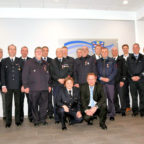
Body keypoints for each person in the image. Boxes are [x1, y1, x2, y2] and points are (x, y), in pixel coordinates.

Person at [22, 47, 51, 126]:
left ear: (42, 53)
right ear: (34, 53)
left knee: (44, 106)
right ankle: (36, 120)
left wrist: (49, 85)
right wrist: (25, 86)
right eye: (37, 51)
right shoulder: (29, 62)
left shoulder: (46, 63)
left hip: (44, 88)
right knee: (34, 105)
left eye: (40, 51)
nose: (39, 53)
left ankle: (43, 119)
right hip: (33, 88)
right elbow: (24, 75)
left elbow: (48, 75)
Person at [1, 44, 23, 127]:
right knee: (8, 104)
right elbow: (2, 74)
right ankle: (8, 121)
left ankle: (17, 121)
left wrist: (23, 85)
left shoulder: (20, 60)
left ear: (16, 51)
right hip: (8, 87)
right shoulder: (4, 61)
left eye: (14, 49)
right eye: (10, 49)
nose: (12, 50)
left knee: (18, 104)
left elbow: (23, 74)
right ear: (8, 50)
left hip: (18, 86)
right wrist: (3, 85)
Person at [50, 48, 73, 123]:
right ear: (56, 53)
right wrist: (58, 79)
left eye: (60, 51)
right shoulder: (52, 62)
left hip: (65, 84)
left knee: (65, 102)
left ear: (62, 53)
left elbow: (70, 72)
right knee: (56, 101)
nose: (59, 53)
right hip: (56, 84)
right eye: (57, 52)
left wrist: (65, 79)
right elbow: (51, 73)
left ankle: (64, 117)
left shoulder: (67, 61)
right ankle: (57, 118)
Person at [96, 47, 117, 121]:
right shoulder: (98, 61)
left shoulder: (112, 60)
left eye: (105, 51)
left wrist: (109, 78)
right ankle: (103, 114)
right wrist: (100, 78)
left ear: (108, 52)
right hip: (101, 83)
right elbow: (96, 72)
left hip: (110, 83)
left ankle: (111, 114)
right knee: (102, 100)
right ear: (101, 53)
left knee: (111, 99)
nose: (104, 52)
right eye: (103, 51)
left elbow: (115, 71)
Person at [127, 43, 144, 117]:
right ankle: (135, 111)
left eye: (136, 47)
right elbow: (127, 69)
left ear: (139, 48)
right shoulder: (129, 58)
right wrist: (132, 77)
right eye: (133, 48)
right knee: (134, 97)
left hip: (141, 80)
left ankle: (142, 111)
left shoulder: (143, 57)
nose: (135, 49)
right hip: (132, 80)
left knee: (142, 96)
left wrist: (139, 76)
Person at [112, 47, 126, 116]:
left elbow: (124, 70)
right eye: (113, 51)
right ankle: (117, 109)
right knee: (114, 97)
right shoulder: (110, 60)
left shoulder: (121, 59)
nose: (114, 52)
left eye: (115, 50)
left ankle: (123, 110)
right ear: (112, 52)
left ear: (117, 51)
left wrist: (122, 80)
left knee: (122, 96)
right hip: (112, 82)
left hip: (120, 81)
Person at [20, 46, 32, 123]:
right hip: (20, 86)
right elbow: (18, 75)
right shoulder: (17, 60)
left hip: (29, 86)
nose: (24, 52)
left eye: (26, 51)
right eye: (23, 50)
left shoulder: (31, 60)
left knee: (30, 102)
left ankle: (31, 117)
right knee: (20, 102)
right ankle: (21, 117)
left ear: (27, 52)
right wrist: (22, 85)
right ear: (21, 51)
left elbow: (32, 75)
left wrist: (27, 85)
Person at [42, 46, 54, 119]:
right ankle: (43, 114)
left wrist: (50, 84)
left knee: (49, 100)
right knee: (42, 101)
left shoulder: (51, 61)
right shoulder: (38, 60)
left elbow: (51, 73)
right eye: (44, 50)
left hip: (49, 84)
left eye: (47, 50)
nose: (45, 52)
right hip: (40, 85)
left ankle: (50, 113)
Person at [119, 44, 131, 112]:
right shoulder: (120, 57)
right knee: (125, 92)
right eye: (124, 48)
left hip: (132, 77)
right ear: (122, 49)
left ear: (128, 49)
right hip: (124, 78)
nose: (125, 49)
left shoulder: (132, 56)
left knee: (133, 92)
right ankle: (127, 106)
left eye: (126, 48)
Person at [0, 48, 6, 120]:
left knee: (5, 100)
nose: (0, 53)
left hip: (3, 84)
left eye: (1, 52)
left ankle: (5, 115)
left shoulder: (5, 61)